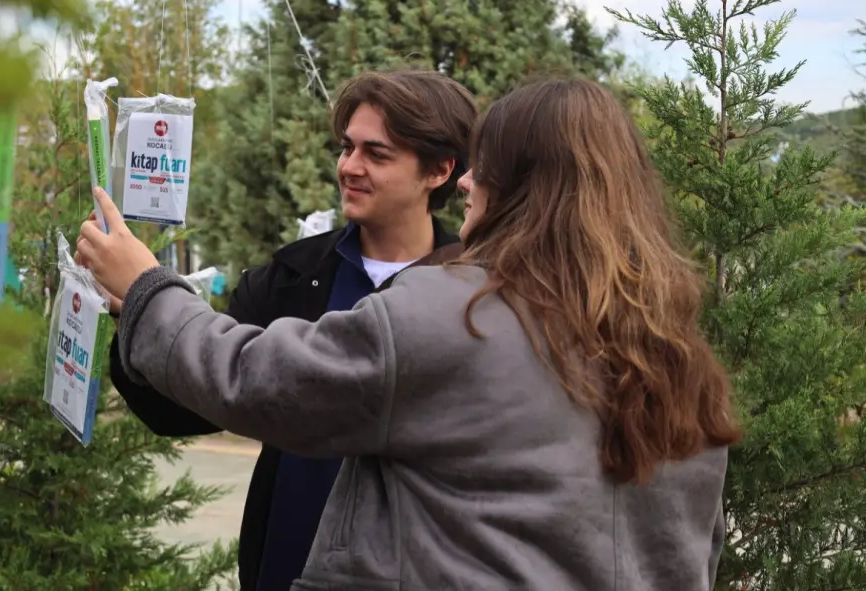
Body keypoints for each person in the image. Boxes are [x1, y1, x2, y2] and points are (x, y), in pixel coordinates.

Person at [78, 77, 741, 590]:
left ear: (522, 186)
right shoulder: (679, 358)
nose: (472, 180)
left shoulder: (454, 312)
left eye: (488, 164)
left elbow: (252, 379)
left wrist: (147, 289)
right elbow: (692, 553)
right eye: (347, 147)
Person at [105, 69, 478, 591]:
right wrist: (139, 313)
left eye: (376, 154)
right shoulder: (290, 278)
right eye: (346, 147)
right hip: (283, 569)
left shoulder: (474, 296)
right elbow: (188, 405)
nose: (350, 166)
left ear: (438, 170)